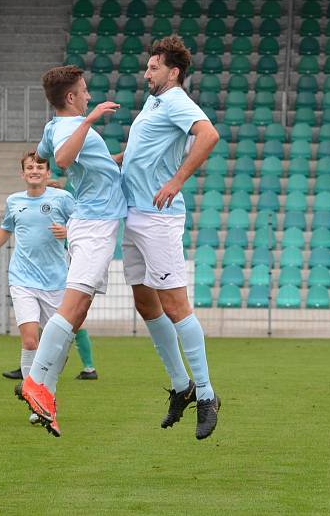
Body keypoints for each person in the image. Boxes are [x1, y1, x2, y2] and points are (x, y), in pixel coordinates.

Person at [18, 65, 127, 436]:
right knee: (72, 310)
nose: (89, 97)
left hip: (89, 221)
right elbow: (61, 160)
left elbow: (53, 154)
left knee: (76, 317)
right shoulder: (71, 126)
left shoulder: (53, 127)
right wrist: (90, 120)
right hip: (95, 224)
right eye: (83, 92)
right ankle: (36, 383)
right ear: (70, 97)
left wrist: (123, 158)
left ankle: (42, 390)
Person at [122, 36, 221, 440]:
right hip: (133, 213)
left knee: (176, 305)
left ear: (173, 72)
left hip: (157, 217)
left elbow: (208, 135)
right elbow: (139, 154)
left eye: (153, 67)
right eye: (148, 66)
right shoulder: (155, 102)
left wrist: (177, 181)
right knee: (146, 303)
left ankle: (208, 395)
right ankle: (182, 386)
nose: (147, 72)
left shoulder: (177, 99)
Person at [0, 152, 97, 428]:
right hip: (22, 279)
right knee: (31, 340)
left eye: (40, 167)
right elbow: (5, 228)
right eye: (30, 168)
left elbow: (86, 224)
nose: (35, 171)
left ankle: (49, 396)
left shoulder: (63, 199)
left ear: (48, 173)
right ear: (23, 174)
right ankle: (35, 401)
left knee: (57, 346)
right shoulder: (14, 201)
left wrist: (68, 232)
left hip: (57, 281)